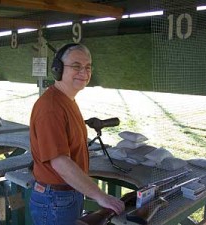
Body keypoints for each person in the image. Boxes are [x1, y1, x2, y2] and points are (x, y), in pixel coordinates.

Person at [29, 43, 125, 225]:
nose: (84, 72)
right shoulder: (51, 107)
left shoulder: (67, 100)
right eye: (76, 66)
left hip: (65, 194)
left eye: (87, 67)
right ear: (57, 69)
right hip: (56, 199)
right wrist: (100, 196)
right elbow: (60, 162)